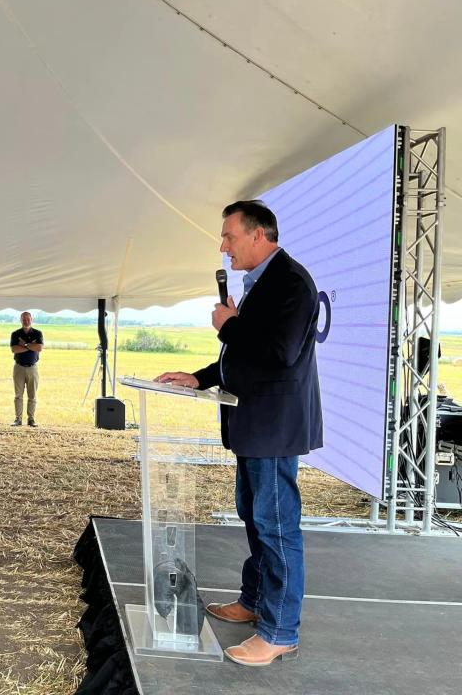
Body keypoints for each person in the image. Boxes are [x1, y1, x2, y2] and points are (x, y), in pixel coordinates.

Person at [156, 200, 322, 667]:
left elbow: (279, 352)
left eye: (229, 236)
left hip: (273, 427)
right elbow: (246, 356)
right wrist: (200, 376)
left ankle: (280, 632)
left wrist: (230, 326)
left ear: (258, 235)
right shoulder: (264, 282)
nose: (223, 246)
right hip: (253, 424)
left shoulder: (291, 282)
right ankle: (253, 601)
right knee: (254, 516)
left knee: (276, 526)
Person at [10, 311, 43, 427]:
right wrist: (30, 346)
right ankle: (18, 419)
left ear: (31, 320)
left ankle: (31, 419)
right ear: (21, 320)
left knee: (32, 396)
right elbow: (14, 349)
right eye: (24, 319)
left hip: (32, 368)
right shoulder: (15, 334)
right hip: (18, 367)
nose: (26, 321)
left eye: (28, 319)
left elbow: (39, 347)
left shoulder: (38, 333)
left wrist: (24, 345)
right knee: (18, 395)